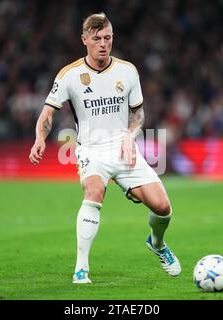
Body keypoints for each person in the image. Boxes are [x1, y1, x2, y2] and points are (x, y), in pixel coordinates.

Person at [29, 12, 181, 284]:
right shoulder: (70, 75)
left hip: (122, 148)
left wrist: (129, 134)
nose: (103, 43)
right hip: (91, 150)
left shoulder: (127, 71)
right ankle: (81, 269)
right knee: (94, 190)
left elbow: (138, 114)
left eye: (108, 38)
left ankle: (157, 244)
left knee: (163, 207)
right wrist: (40, 138)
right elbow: (47, 114)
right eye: (97, 38)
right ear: (84, 39)